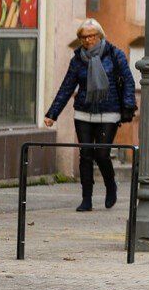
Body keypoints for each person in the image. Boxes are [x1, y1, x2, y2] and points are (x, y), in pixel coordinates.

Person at [43, 19, 137, 211]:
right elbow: (66, 87)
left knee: (102, 154)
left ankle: (111, 186)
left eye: (91, 36)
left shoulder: (114, 54)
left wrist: (127, 106)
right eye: (83, 37)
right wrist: (52, 114)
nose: (87, 40)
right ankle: (87, 198)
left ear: (99, 36)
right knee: (85, 155)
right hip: (84, 112)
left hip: (109, 112)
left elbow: (128, 81)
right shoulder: (77, 60)